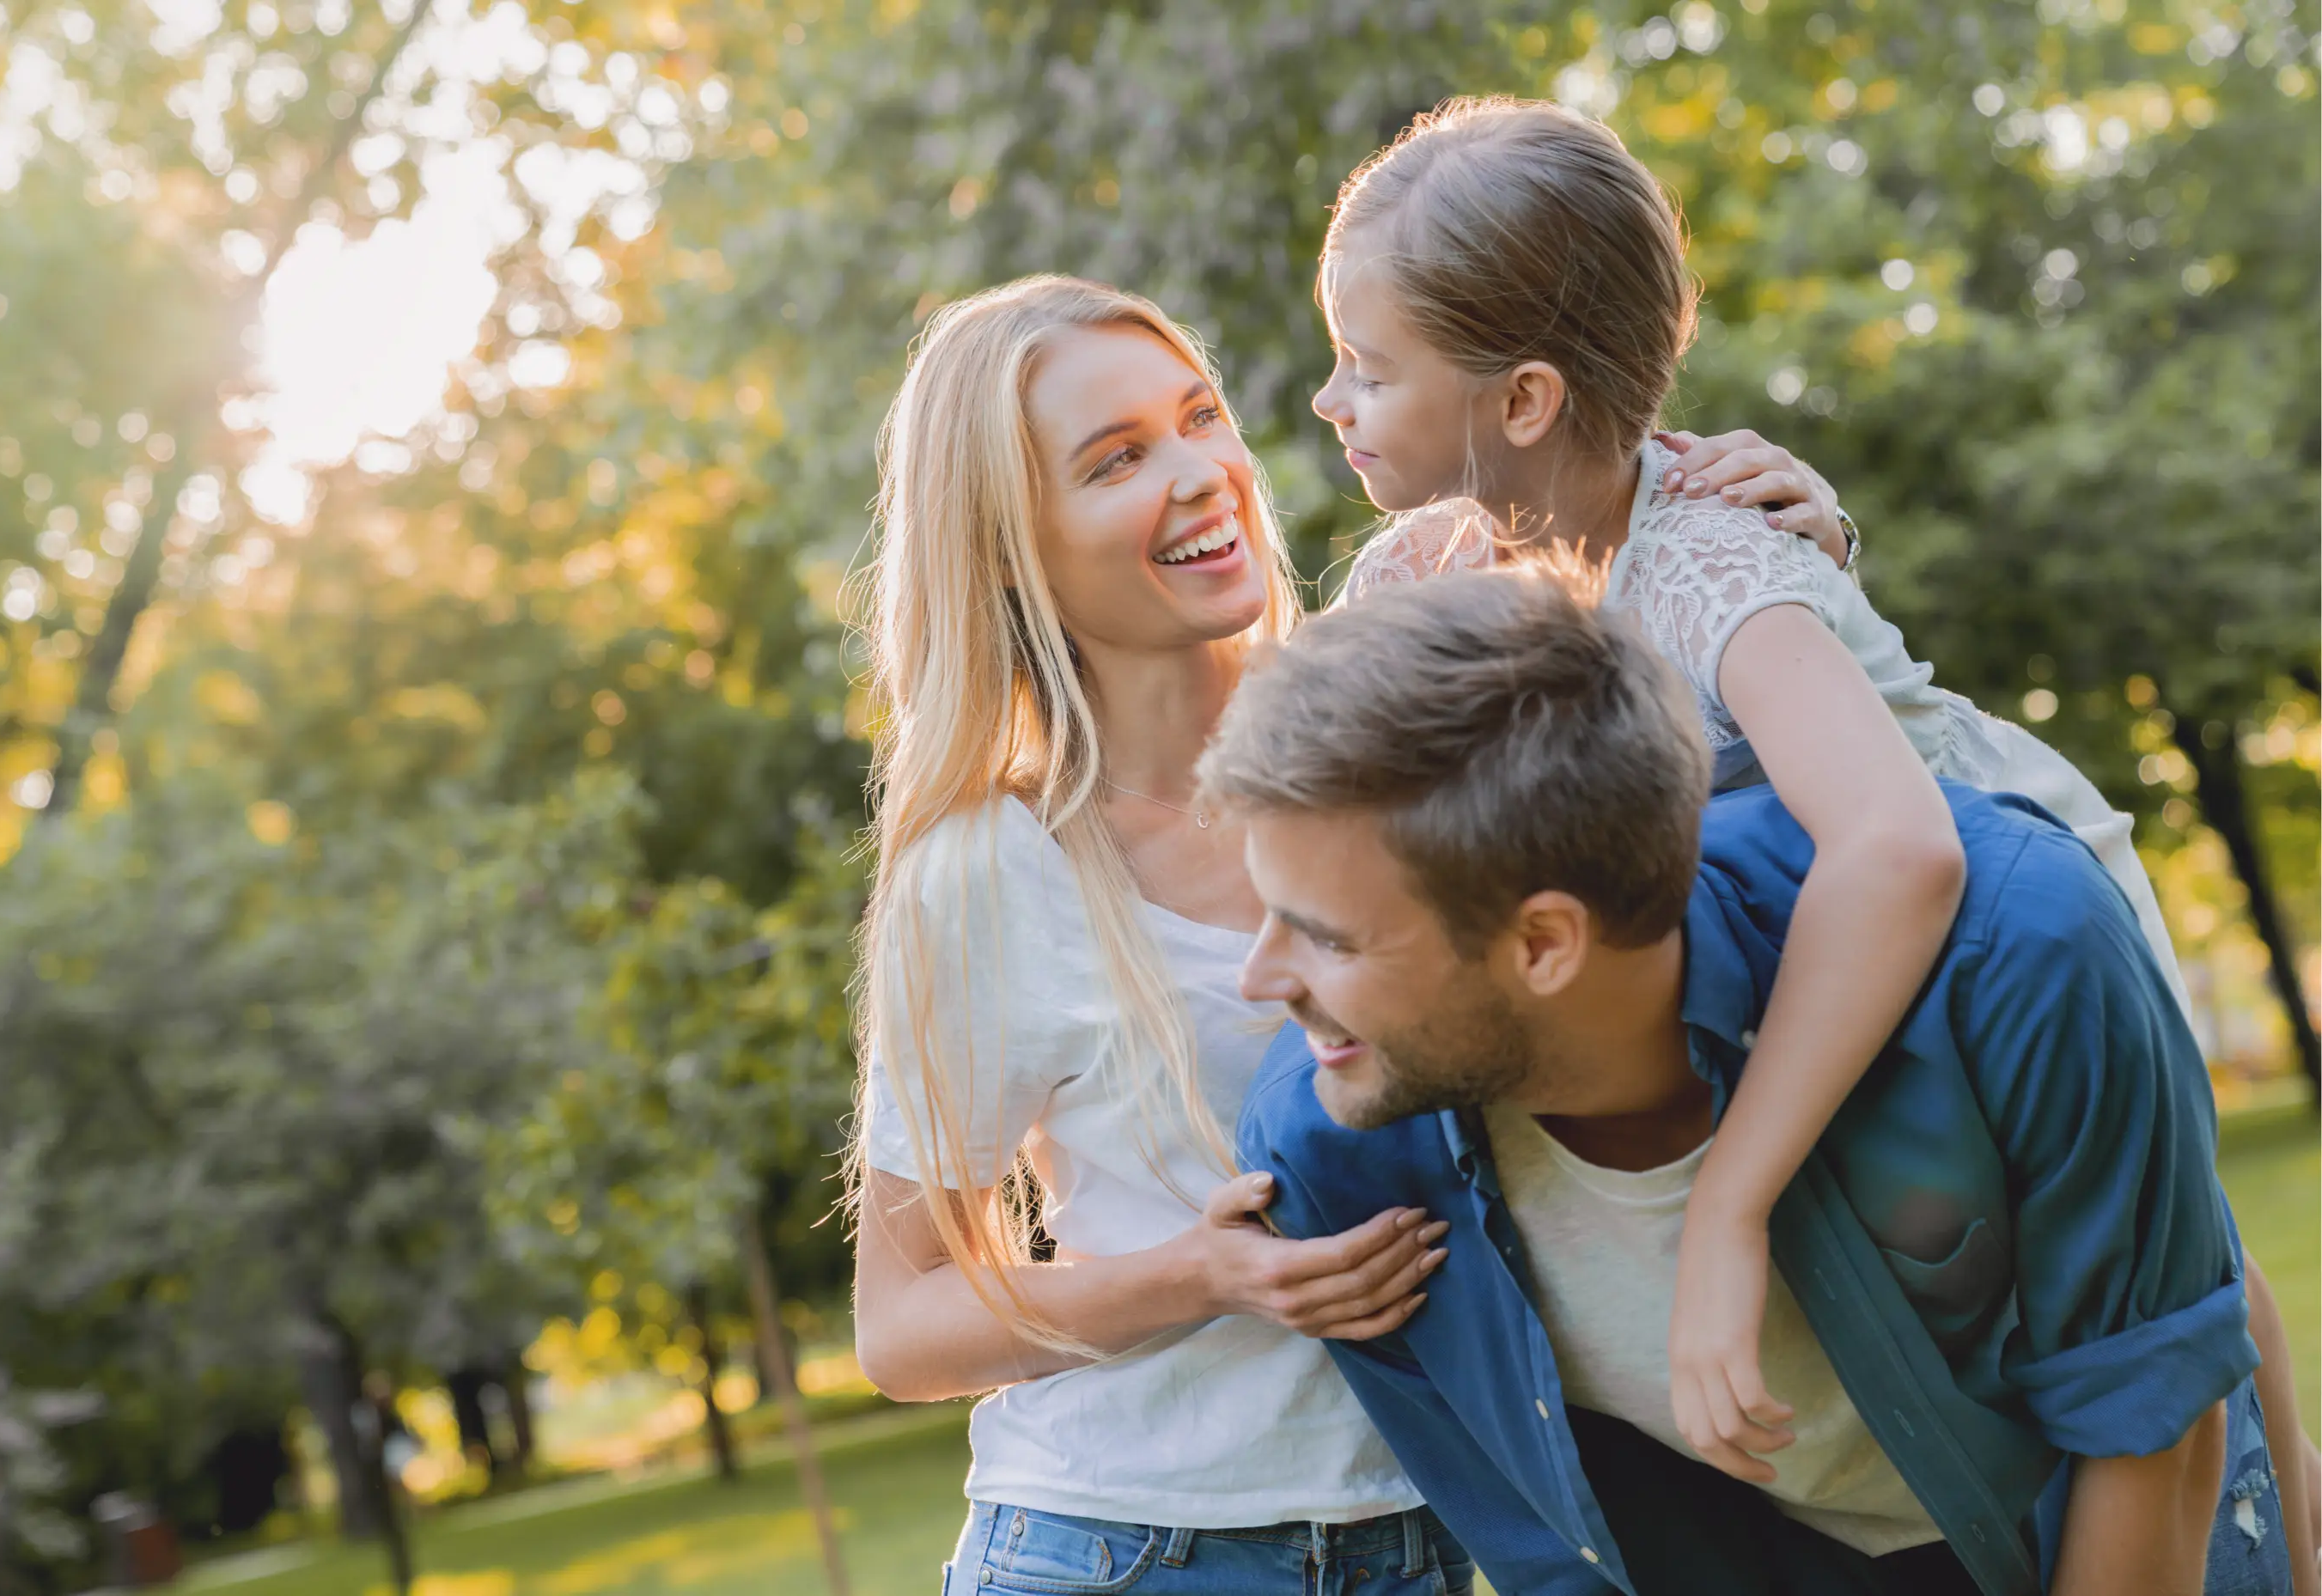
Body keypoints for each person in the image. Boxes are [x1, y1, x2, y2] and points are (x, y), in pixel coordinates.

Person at [1296, 99, 2295, 1525]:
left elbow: (1896, 849)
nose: (1329, 404)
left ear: (1521, 401)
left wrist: (1729, 1202)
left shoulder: (1705, 561)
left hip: (1992, 933)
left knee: (2174, 1286)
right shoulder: (1418, 582)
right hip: (1804, 934)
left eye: (1361, 368)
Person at [844, 272, 1855, 1593]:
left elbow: (1678, 761)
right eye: (1117, 460)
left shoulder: (1399, 716)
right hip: (1130, 1547)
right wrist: (1205, 1273)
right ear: (1009, 546)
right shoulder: (991, 868)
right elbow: (901, 1324)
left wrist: (1793, 538)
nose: (1202, 471)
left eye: (1200, 416)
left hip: (1430, 1533)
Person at [1214, 563, 2290, 1595]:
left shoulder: (2019, 952)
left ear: (1543, 943)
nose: (1261, 981)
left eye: (1325, 940)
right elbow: (1564, 1558)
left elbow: (2146, 1428)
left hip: (2123, 1513)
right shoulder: (1335, 1147)